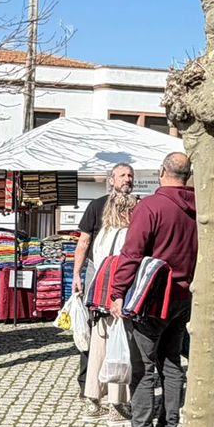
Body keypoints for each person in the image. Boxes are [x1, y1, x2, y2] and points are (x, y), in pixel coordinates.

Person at [108, 153, 197, 427]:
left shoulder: (151, 206)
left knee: (143, 367)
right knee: (171, 363)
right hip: (183, 295)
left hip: (152, 298)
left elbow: (131, 253)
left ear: (161, 172)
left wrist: (117, 291)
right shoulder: (200, 209)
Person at [82, 181, 140, 421]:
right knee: (120, 348)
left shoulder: (103, 233)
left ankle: (93, 399)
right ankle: (117, 403)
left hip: (99, 295)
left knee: (99, 346)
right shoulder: (130, 234)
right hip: (119, 294)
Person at [74, 164, 134, 392]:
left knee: (121, 324)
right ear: (111, 180)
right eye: (122, 176)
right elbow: (83, 242)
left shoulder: (137, 207)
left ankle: (118, 379)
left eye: (130, 176)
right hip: (96, 271)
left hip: (126, 273)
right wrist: (78, 274)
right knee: (94, 325)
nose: (127, 179)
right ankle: (87, 381)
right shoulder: (97, 205)